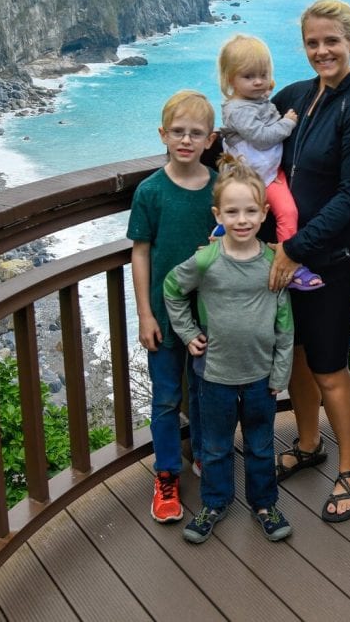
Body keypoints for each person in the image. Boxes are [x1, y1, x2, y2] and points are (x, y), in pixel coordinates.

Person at [268, 0, 350, 522]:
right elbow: (253, 144)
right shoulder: (296, 96)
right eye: (313, 42)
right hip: (283, 256)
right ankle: (310, 441)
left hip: (330, 258)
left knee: (330, 365)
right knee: (297, 354)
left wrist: (295, 249)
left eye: (331, 41)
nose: (322, 51)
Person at [163, 155, 295, 544]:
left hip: (260, 377)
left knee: (260, 445)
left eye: (251, 211)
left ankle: (264, 504)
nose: (242, 219)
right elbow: (172, 289)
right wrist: (187, 332)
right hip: (215, 375)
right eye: (232, 211)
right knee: (216, 447)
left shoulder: (273, 262)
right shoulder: (207, 259)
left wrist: (281, 373)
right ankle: (215, 503)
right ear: (218, 213)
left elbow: (285, 323)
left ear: (264, 213)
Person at [127, 89, 218, 524]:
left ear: (211, 138)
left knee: (204, 392)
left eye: (195, 133)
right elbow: (140, 252)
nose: (186, 140)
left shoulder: (219, 187)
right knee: (165, 398)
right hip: (163, 317)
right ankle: (166, 473)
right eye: (178, 132)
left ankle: (203, 454)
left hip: (210, 316)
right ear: (163, 135)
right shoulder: (150, 191)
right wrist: (144, 313)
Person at [216, 33, 323, 290]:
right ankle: (221, 240)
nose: (258, 81)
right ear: (231, 79)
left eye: (263, 75)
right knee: (240, 218)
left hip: (271, 175)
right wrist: (288, 122)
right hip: (246, 181)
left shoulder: (259, 102)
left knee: (289, 212)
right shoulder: (237, 110)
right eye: (249, 76)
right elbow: (263, 138)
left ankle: (290, 262)